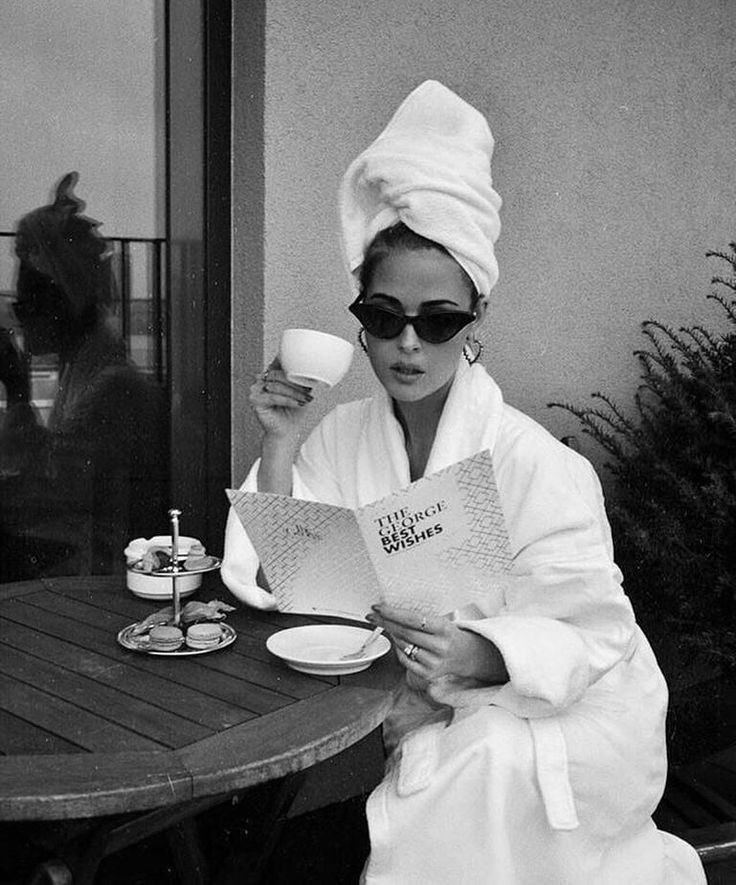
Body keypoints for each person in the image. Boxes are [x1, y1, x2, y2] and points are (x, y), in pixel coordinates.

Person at [222, 81, 705, 883]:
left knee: (480, 764)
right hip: (413, 707)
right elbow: (290, 578)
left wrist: (477, 654)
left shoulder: (534, 463)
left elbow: (595, 633)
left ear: (475, 322)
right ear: (360, 321)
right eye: (384, 316)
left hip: (553, 713)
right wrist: (279, 443)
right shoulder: (343, 435)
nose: (408, 344)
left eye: (438, 320)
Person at [0, 172, 167, 581]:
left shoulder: (112, 387)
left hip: (95, 572)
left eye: (25, 309)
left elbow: (50, 496)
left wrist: (18, 390)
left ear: (59, 304)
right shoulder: (83, 370)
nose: (20, 324)